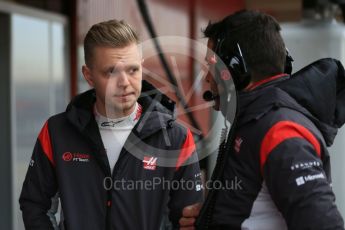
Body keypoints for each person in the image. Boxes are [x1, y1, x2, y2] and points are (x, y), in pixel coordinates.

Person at [19, 19, 203, 230]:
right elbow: (35, 205)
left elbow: (188, 220)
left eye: (133, 70)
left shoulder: (176, 138)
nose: (124, 82)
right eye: (111, 72)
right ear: (88, 75)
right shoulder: (56, 132)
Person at [179, 10, 345, 229]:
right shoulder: (258, 120)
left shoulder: (279, 131)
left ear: (235, 69)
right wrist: (212, 215)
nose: (208, 77)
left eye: (212, 65)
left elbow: (323, 224)